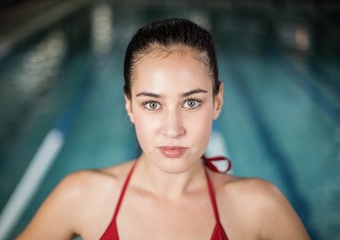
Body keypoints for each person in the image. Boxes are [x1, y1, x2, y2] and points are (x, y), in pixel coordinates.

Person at [17, 18, 310, 240]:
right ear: (129, 106)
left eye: (192, 102)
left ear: (218, 101)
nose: (173, 129)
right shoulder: (82, 196)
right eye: (153, 105)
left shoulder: (259, 207)